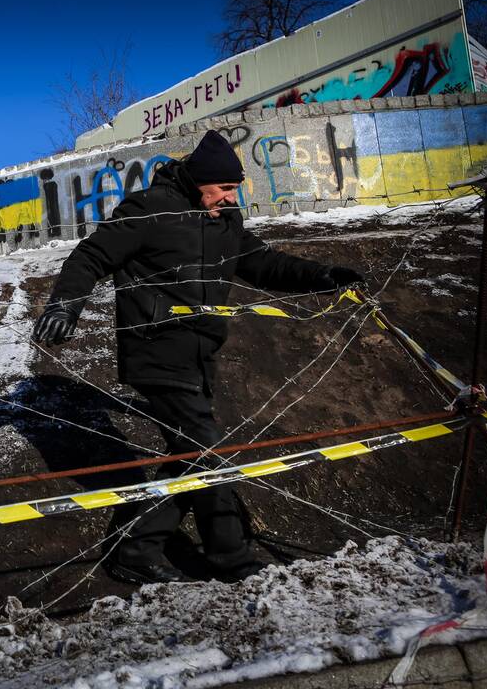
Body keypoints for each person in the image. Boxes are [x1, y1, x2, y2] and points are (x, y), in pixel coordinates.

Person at [33, 130, 365, 585]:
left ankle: (136, 548)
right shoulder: (151, 208)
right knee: (210, 450)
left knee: (189, 454)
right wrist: (65, 303)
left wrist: (323, 276)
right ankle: (233, 560)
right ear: (199, 181)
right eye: (224, 189)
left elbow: (263, 262)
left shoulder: (224, 219)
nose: (231, 197)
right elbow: (91, 255)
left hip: (201, 355)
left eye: (234, 189)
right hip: (156, 349)